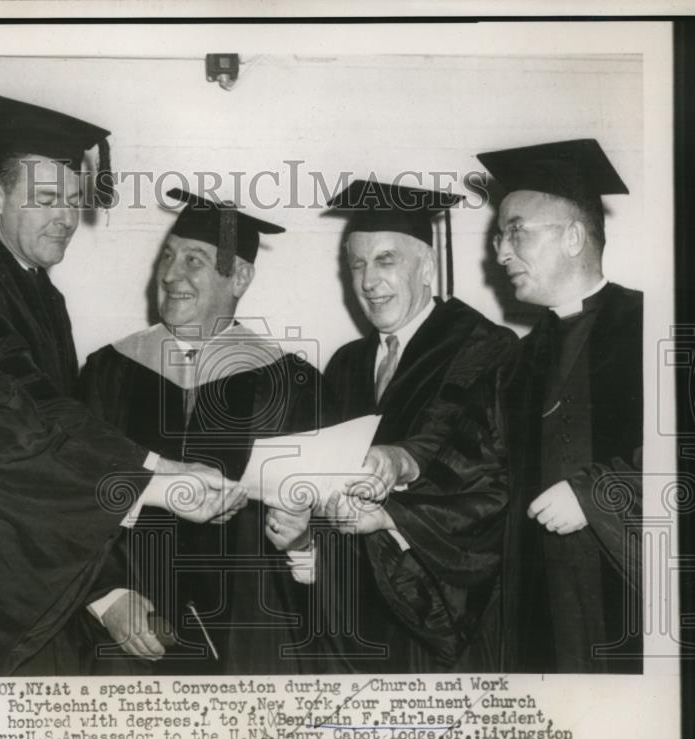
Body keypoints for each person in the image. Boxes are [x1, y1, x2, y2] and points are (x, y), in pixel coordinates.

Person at [0, 97, 242, 676]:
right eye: (45, 200)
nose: (65, 217)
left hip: (34, 560)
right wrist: (153, 481)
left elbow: (60, 421)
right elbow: (19, 427)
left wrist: (160, 469)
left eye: (73, 200)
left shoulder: (38, 289)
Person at [78, 189, 328, 674]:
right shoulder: (107, 372)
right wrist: (105, 595)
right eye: (167, 256)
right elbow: (74, 492)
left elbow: (325, 528)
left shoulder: (294, 384)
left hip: (249, 642)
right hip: (129, 639)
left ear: (239, 276)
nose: (172, 274)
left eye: (195, 259)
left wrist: (304, 542)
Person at [272, 179, 516, 673]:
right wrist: (302, 538)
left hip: (435, 619)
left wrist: (397, 485)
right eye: (357, 264)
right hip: (349, 624)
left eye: (385, 260)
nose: (367, 281)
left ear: (427, 266)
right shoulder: (345, 364)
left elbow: (479, 474)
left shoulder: (481, 346)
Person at [477, 138, 642, 673]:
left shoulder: (658, 329)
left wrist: (597, 495)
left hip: (628, 596)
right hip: (539, 606)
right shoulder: (517, 361)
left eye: (516, 231)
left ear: (573, 237)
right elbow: (482, 476)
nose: (500, 251)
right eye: (500, 236)